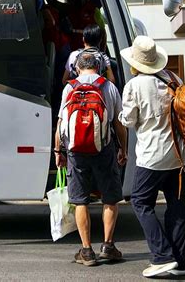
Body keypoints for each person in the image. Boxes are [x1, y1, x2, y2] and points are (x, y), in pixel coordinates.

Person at [118, 36, 185, 278]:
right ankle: (179, 264)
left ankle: (162, 255)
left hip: (152, 155)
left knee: (140, 201)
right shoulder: (174, 79)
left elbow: (128, 120)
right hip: (179, 155)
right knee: (177, 206)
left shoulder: (135, 85)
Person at [54, 52, 128, 266]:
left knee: (80, 200)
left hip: (75, 151)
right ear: (99, 67)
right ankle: (108, 246)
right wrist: (123, 148)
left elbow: (61, 124)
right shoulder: (108, 87)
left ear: (77, 68)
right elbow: (118, 124)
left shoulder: (69, 87)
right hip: (103, 149)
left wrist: (59, 152)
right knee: (110, 197)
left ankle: (86, 251)